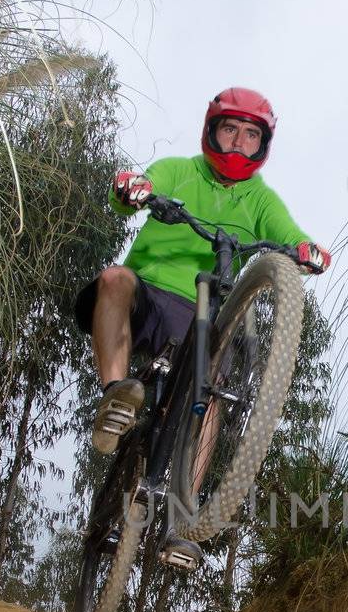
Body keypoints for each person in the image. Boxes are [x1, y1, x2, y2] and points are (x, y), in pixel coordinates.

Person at [73, 86, 330, 567]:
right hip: (150, 294)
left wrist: (306, 250)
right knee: (113, 279)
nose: (237, 143)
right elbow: (131, 192)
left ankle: (182, 520)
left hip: (208, 313)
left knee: (208, 394)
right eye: (229, 129)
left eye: (250, 135)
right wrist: (132, 187)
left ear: (262, 146)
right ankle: (116, 395)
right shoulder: (179, 169)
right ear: (212, 130)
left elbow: (290, 233)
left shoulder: (260, 199)